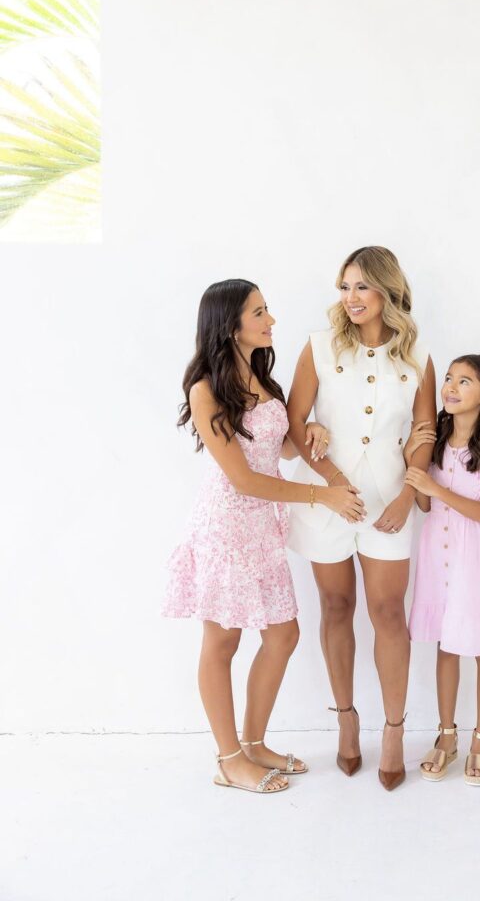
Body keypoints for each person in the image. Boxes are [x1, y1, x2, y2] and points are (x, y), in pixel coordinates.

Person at [163, 278, 365, 795]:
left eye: (267, 309)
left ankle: (253, 744)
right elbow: (245, 479)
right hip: (226, 528)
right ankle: (229, 759)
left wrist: (310, 434)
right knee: (222, 640)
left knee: (282, 634)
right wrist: (323, 495)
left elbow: (281, 450)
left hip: (263, 529)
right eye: (259, 313)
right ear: (229, 325)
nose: (271, 320)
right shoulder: (205, 390)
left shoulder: (261, 378)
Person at [287, 247, 436, 790]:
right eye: (344, 286)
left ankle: (394, 730)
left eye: (361, 287)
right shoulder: (318, 347)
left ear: (387, 291)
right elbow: (295, 423)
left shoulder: (418, 358)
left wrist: (406, 496)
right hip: (328, 498)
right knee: (335, 606)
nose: (350, 297)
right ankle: (346, 720)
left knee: (389, 612)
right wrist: (331, 483)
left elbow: (425, 432)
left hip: (388, 501)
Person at [406, 355, 480, 786]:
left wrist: (436, 487)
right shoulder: (434, 439)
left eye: (464, 381)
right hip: (439, 552)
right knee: (446, 643)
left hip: (477, 557)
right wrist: (410, 459)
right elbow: (423, 504)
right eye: (449, 378)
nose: (450, 387)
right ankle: (447, 734)